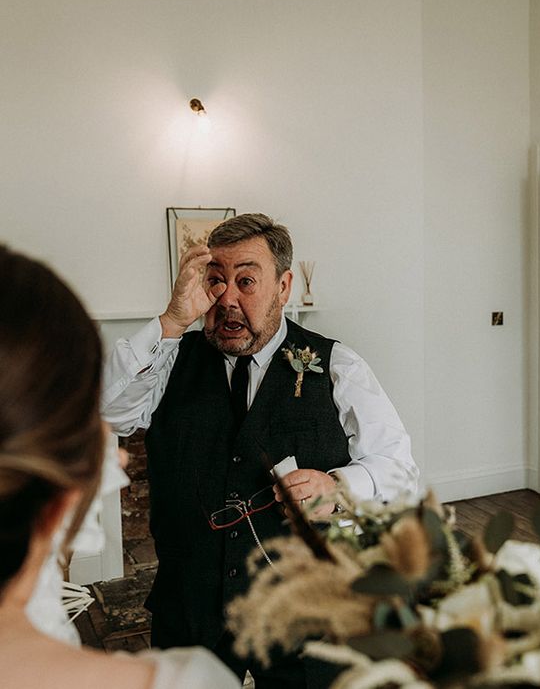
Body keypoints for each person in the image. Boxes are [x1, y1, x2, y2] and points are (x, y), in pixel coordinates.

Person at [102, 212, 419, 686]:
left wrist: (338, 486)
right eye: (215, 281)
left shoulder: (339, 365)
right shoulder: (171, 359)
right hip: (189, 604)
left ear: (284, 286)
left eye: (246, 281)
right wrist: (171, 321)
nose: (227, 299)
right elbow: (111, 413)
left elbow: (399, 467)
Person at [0, 245, 240, 689]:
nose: (121, 457)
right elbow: (119, 409)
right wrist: (173, 322)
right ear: (61, 490)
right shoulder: (181, 681)